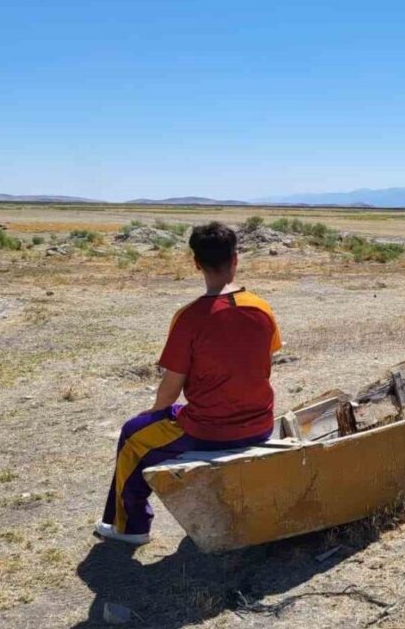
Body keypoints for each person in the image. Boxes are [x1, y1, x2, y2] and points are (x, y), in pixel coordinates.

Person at [95, 222, 281, 545]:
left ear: (196, 263)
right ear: (235, 259)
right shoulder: (262, 309)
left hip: (208, 431)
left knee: (131, 435)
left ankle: (132, 527)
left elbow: (171, 390)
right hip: (260, 424)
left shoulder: (190, 317)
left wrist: (152, 417)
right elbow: (262, 362)